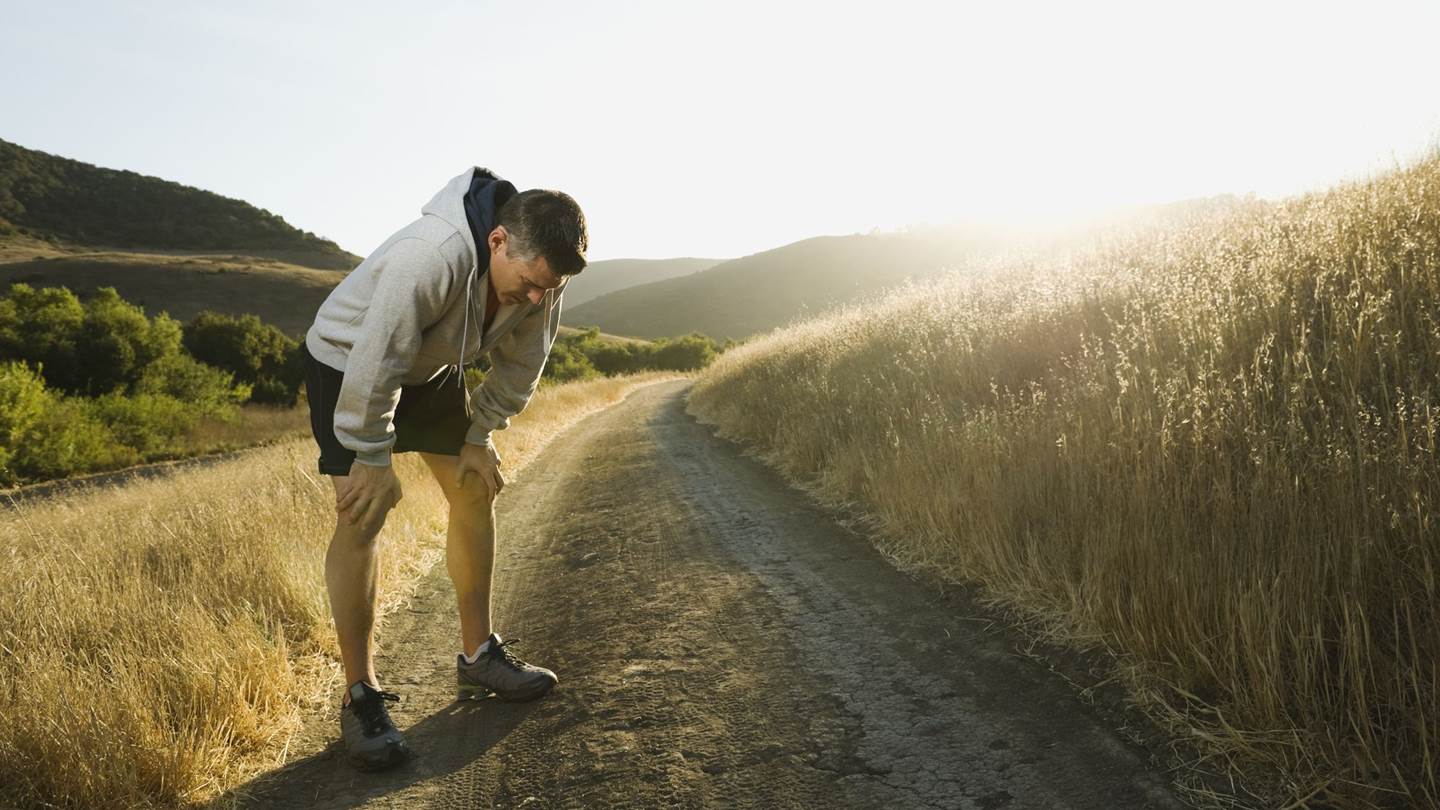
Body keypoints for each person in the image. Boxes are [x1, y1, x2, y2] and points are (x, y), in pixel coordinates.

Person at [300, 166, 587, 771]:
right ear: (497, 242)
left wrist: (480, 433)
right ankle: (360, 696)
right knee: (363, 513)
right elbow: (378, 357)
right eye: (531, 284)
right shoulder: (428, 256)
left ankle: (479, 657)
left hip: (430, 365)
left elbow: (524, 363)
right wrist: (372, 456)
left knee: (474, 485)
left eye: (550, 288)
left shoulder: (541, 275)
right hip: (350, 361)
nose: (538, 299)